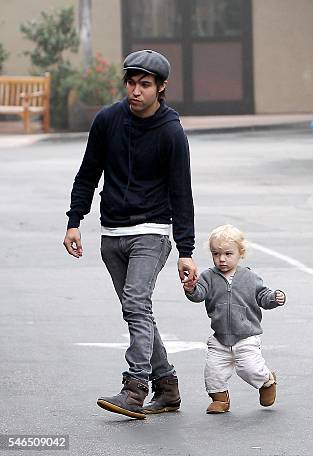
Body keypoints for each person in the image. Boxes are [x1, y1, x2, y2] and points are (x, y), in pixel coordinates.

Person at [63, 49, 197, 420]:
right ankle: (168, 387)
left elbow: (181, 193)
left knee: (137, 304)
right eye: (131, 83)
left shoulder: (171, 132)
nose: (136, 91)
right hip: (112, 234)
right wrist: (74, 220)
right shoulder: (108, 120)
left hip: (151, 232)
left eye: (145, 84)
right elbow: (88, 173)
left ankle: (135, 387)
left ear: (161, 87)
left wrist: (186, 249)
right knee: (135, 311)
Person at [183, 224, 286, 414]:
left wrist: (274, 298)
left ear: (241, 253)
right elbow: (199, 294)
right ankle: (220, 399)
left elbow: (263, 296)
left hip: (246, 336)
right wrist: (190, 288)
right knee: (213, 372)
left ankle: (266, 381)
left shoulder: (249, 277)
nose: (221, 259)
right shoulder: (208, 276)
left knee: (249, 369)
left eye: (228, 254)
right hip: (220, 337)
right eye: (216, 254)